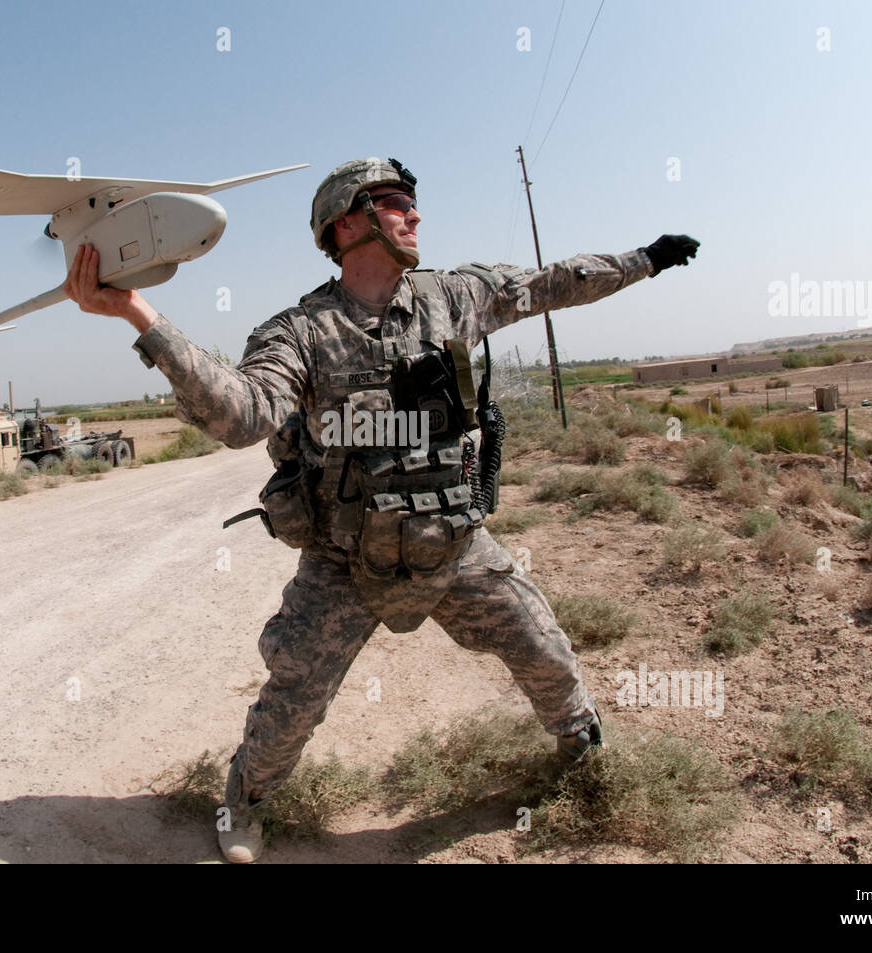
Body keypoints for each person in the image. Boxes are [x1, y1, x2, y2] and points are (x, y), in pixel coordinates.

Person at [63, 157, 699, 863]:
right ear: (347, 222)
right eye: (396, 203)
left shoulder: (455, 297)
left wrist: (644, 259)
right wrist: (136, 313)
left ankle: (584, 752)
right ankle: (245, 802)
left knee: (544, 647)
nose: (415, 215)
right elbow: (241, 413)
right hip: (345, 559)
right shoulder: (301, 332)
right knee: (293, 696)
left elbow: (551, 284)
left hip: (454, 542)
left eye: (412, 203)